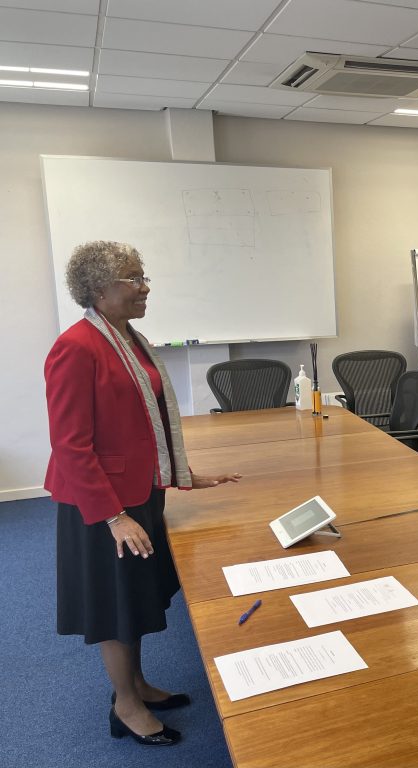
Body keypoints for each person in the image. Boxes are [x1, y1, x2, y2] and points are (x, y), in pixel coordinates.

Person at [45, 241, 242, 747]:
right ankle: (125, 706)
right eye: (133, 279)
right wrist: (114, 516)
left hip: (138, 492)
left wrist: (183, 473)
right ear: (98, 289)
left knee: (134, 597)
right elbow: (70, 445)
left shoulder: (129, 339)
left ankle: (136, 685)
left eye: (143, 276)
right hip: (102, 505)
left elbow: (140, 423)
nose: (144, 287)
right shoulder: (76, 347)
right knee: (115, 606)